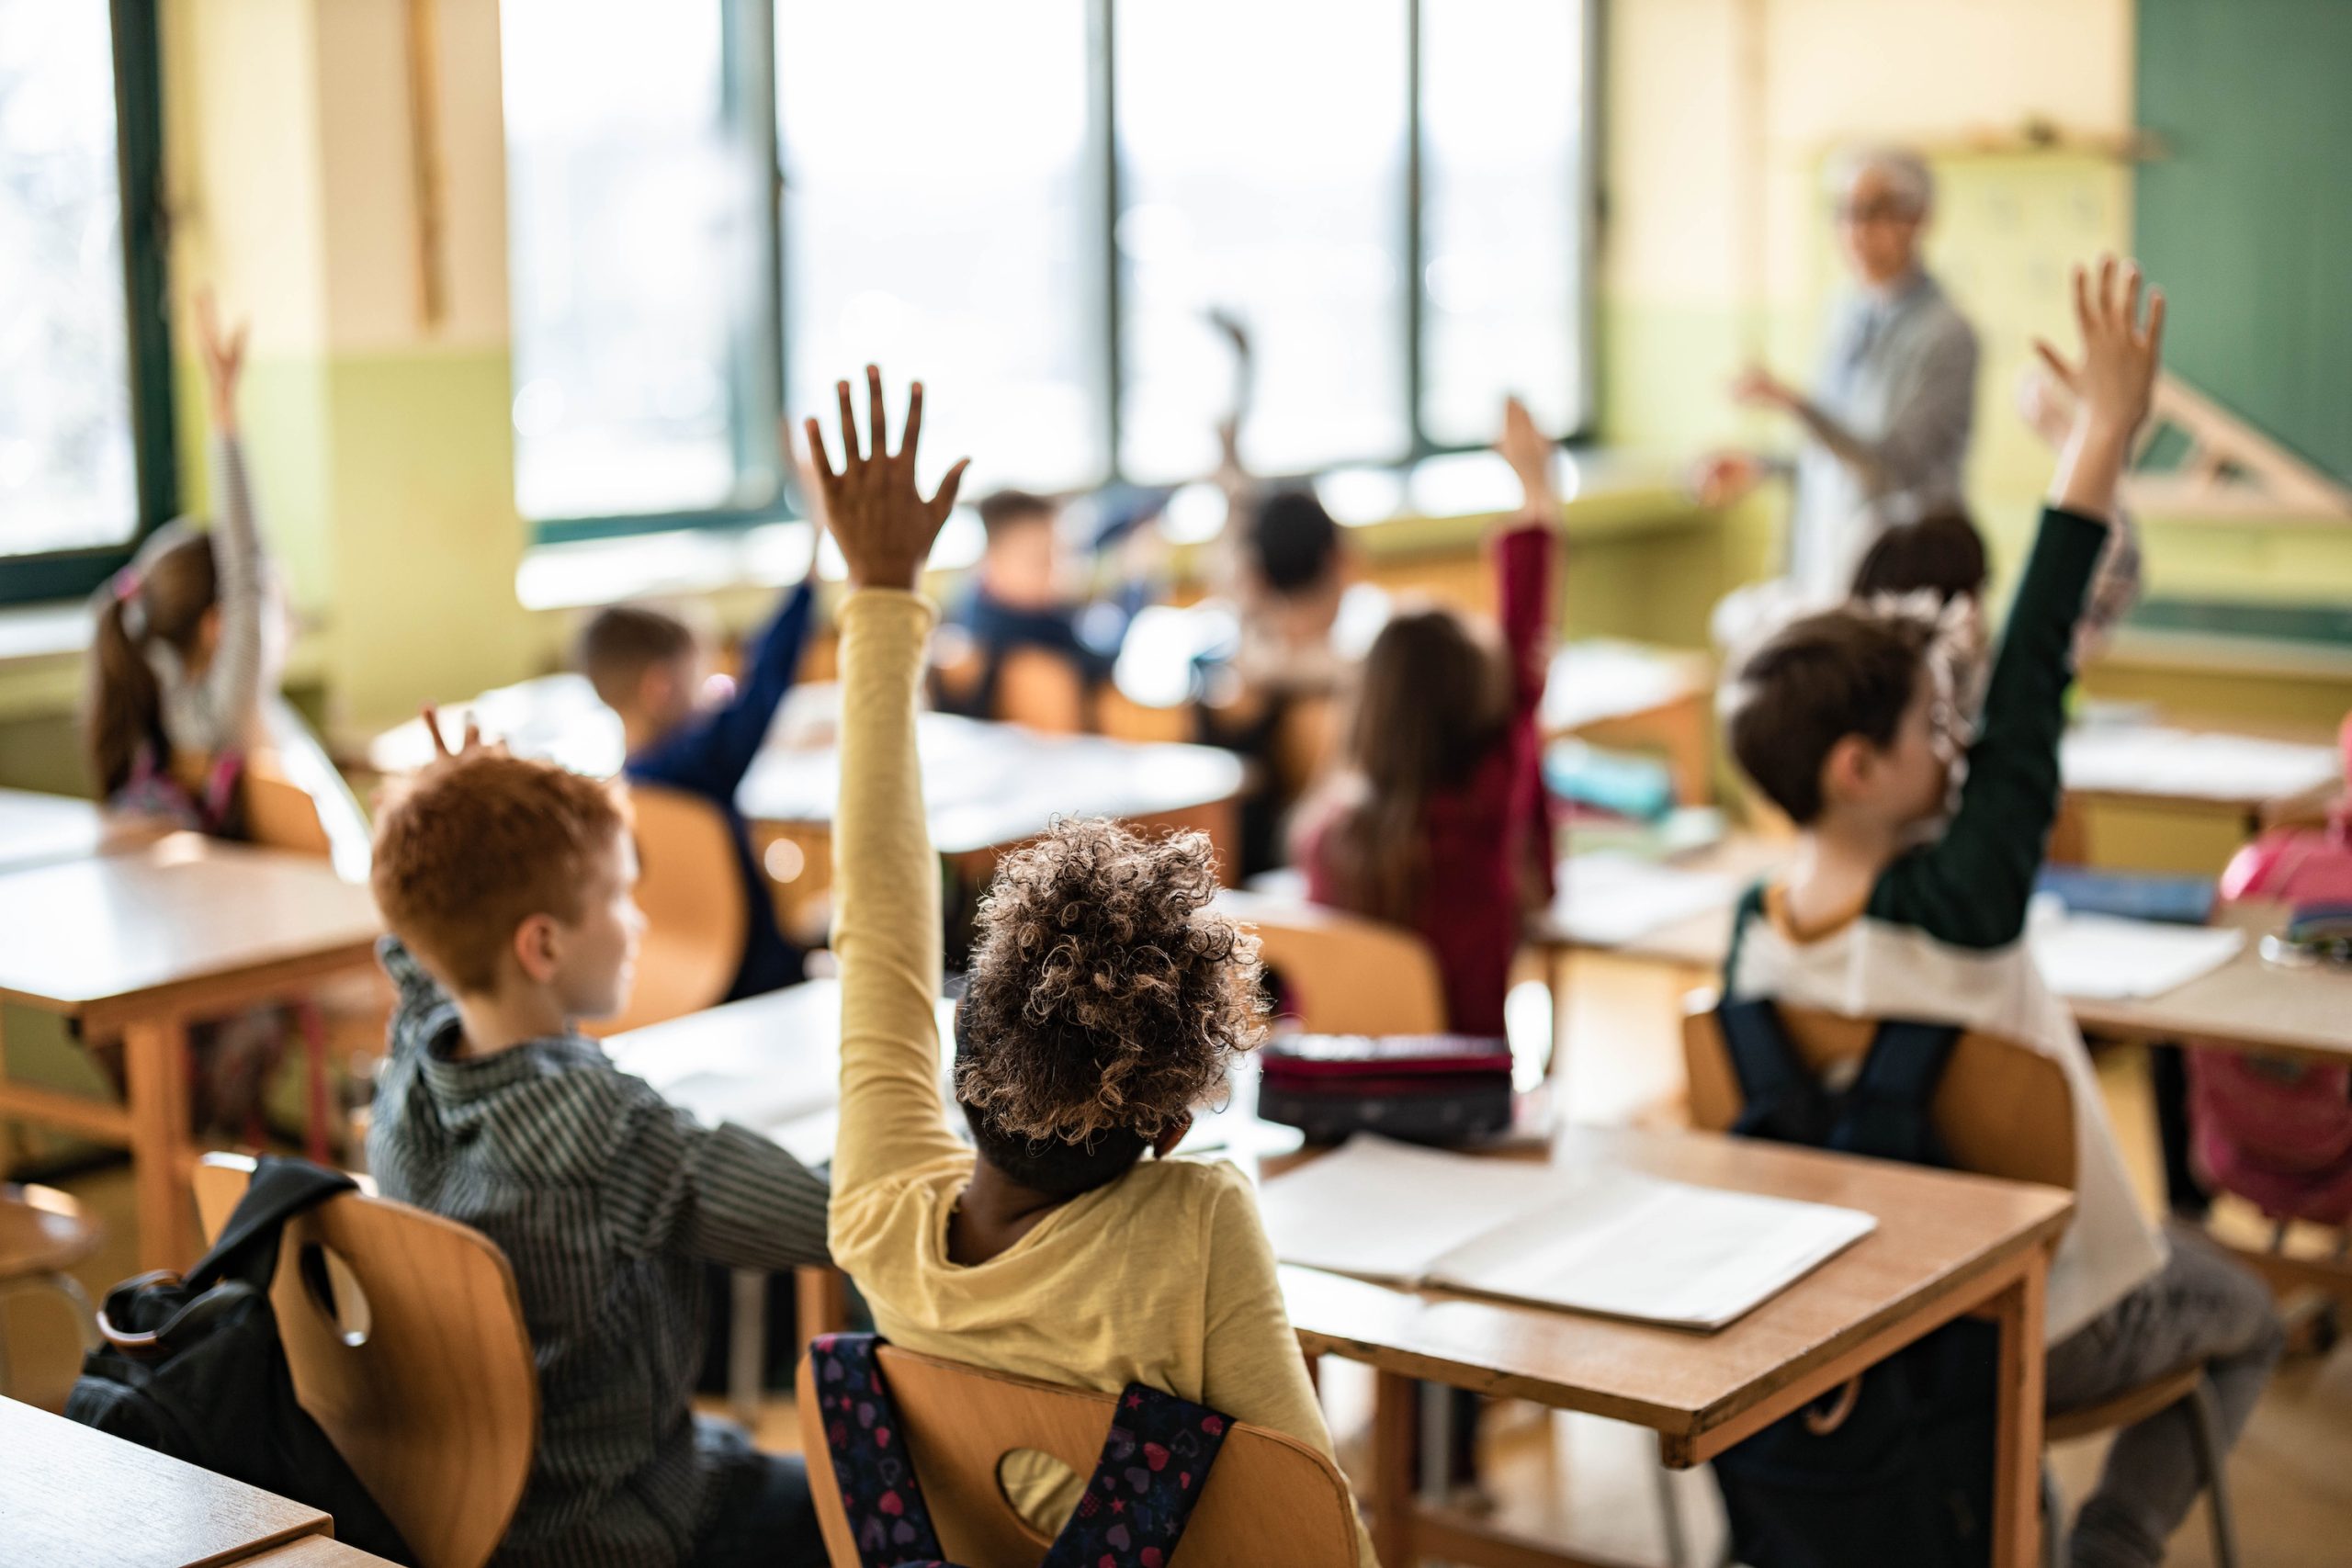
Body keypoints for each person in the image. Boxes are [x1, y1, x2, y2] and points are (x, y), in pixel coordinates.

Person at [1719, 259, 2278, 1568]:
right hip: (2031, 1314)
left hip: (1869, 1311)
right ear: (1857, 768)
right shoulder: (1960, 905)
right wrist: (2095, 443)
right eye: (1935, 728)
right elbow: (2029, 676)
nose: (1962, 745)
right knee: (2244, 1309)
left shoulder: (1754, 925)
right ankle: (2116, 1542)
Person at [809, 367, 1376, 1564]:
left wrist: (878, 594)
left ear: (966, 1047)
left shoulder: (876, 1206)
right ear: (1167, 1129)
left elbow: (883, 912)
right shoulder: (1198, 1225)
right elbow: (1313, 1531)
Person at [367, 724, 832, 1568]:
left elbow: (417, 944)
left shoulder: (409, 1078)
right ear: (541, 944)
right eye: (620, 895)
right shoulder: (608, 1130)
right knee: (875, 1500)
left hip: (468, 1516)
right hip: (632, 1527)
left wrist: (454, 811)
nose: (640, 919)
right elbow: (837, 1221)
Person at [1295, 397, 1562, 1040]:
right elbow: (1522, 645)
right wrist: (1536, 487)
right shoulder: (1479, 815)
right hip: (1459, 1093)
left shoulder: (1327, 836)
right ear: (1475, 707)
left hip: (1344, 1091)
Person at [576, 462, 822, 999]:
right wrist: (816, 551)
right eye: (699, 678)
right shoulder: (699, 766)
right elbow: (768, 678)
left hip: (675, 993)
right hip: (760, 982)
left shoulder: (623, 787)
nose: (712, 690)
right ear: (661, 687)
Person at [1700, 148, 1981, 601]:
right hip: (1830, 569)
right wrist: (1762, 466)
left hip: (1904, 581)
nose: (1855, 230)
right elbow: (1833, 458)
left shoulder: (1947, 334)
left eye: (1874, 211)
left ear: (1918, 218)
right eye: (1845, 212)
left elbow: (1889, 468)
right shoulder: (1843, 313)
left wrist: (1794, 404)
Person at [85, 291, 276, 831]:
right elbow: (246, 570)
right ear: (217, 625)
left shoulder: (155, 671)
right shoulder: (222, 714)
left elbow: (234, 576)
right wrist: (223, 407)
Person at [933, 488, 1121, 721]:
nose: (1055, 574)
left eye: (1060, 557)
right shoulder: (1007, 640)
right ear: (992, 561)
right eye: (1039, 561)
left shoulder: (1050, 619)